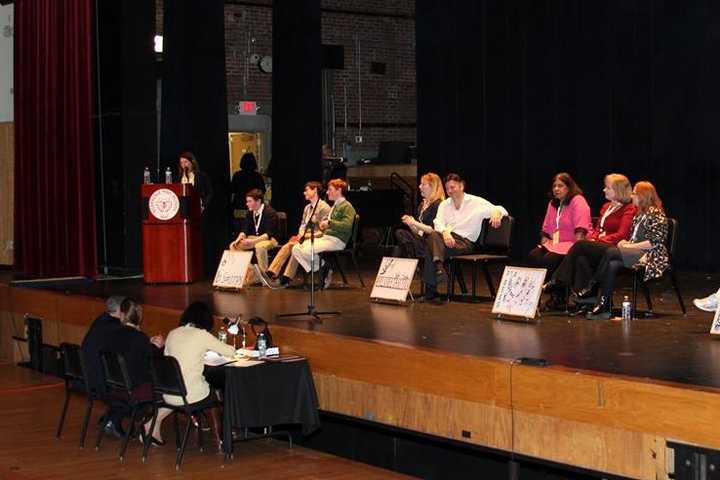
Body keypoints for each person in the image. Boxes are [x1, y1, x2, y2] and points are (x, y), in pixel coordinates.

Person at [143, 302, 235, 447]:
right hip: (190, 395)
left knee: (192, 385)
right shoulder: (201, 335)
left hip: (169, 392)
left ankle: (152, 424)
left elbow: (169, 359)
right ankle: (221, 438)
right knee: (214, 396)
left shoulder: (173, 333)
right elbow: (230, 352)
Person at [546, 173, 637, 308]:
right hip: (600, 247)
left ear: (618, 190)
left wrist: (599, 239)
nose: (604, 190)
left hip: (615, 249)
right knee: (581, 258)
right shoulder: (606, 207)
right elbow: (597, 229)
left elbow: (622, 234)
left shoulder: (628, 209)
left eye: (607, 188)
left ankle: (557, 280)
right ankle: (585, 300)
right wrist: (594, 238)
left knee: (580, 245)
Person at [583, 181, 669, 319]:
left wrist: (629, 246)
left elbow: (654, 242)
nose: (631, 195)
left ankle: (592, 286)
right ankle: (603, 306)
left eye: (634, 193)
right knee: (612, 264)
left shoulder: (656, 213)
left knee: (610, 251)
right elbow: (634, 238)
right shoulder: (639, 213)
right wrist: (626, 243)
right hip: (635, 253)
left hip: (650, 256)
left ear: (643, 196)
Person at [422, 173, 508, 301]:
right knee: (433, 236)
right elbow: (437, 222)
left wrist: (496, 212)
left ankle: (433, 284)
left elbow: (500, 209)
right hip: (446, 239)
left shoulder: (475, 202)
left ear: (461, 186)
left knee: (431, 245)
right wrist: (445, 233)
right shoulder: (444, 204)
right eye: (447, 189)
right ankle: (438, 267)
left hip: (464, 243)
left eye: (452, 187)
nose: (450, 191)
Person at [527, 173, 592, 310]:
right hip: (555, 244)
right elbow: (546, 228)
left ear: (569, 187)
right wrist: (543, 246)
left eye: (560, 186)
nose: (556, 189)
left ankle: (558, 297)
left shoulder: (577, 200)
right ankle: (533, 299)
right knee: (534, 255)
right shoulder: (553, 203)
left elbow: (581, 228)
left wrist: (577, 249)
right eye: (554, 186)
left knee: (550, 259)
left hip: (573, 244)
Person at [103, 298, 164, 438]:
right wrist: (157, 347)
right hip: (132, 389)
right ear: (139, 317)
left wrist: (148, 344)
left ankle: (116, 417)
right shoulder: (139, 338)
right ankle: (147, 423)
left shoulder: (111, 334)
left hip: (113, 385)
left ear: (122, 315)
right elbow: (150, 360)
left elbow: (129, 352)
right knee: (163, 389)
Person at [264, 181, 331, 287]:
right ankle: (276, 274)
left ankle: (282, 276)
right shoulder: (307, 208)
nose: (304, 193)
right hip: (305, 237)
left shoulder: (324, 207)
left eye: (307, 190)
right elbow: (303, 225)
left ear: (315, 190)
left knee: (293, 245)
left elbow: (324, 230)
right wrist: (300, 235)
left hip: (317, 238)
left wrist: (304, 237)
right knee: (290, 245)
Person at [292, 178, 356, 275]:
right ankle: (323, 268)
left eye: (330, 189)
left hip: (337, 240)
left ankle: (322, 271)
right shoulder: (335, 206)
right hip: (327, 238)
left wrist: (329, 223)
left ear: (339, 190)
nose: (327, 192)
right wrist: (321, 224)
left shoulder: (347, 206)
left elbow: (347, 226)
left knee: (307, 250)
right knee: (296, 249)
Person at [228, 188, 279, 276]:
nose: (247, 204)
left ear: (258, 201)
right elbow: (245, 229)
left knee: (260, 246)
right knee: (234, 246)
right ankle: (254, 272)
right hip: (255, 238)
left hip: (271, 239)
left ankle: (264, 276)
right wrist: (239, 237)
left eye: (249, 201)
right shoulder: (250, 213)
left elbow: (268, 234)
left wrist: (253, 241)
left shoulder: (270, 212)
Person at [393, 172, 445, 258]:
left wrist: (414, 222)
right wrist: (411, 224)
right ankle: (411, 264)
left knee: (400, 244)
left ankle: (411, 264)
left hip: (433, 243)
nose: (419, 186)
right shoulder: (422, 205)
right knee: (400, 234)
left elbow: (433, 231)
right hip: (422, 240)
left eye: (423, 184)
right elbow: (419, 232)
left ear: (433, 187)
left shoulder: (438, 204)